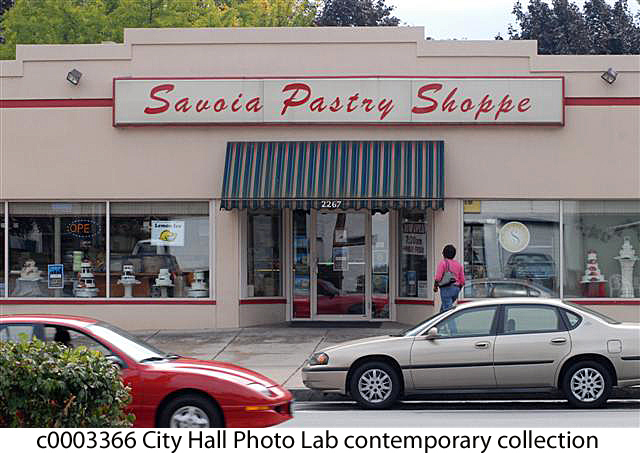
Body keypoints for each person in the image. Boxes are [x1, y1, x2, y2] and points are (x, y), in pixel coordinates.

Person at [434, 244, 465, 312]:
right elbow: (462, 281)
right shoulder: (458, 264)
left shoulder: (443, 263)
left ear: (444, 253)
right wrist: (458, 289)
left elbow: (438, 277)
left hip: (446, 288)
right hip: (456, 289)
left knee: (447, 310)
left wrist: (435, 286)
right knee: (444, 308)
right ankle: (440, 318)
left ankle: (450, 319)